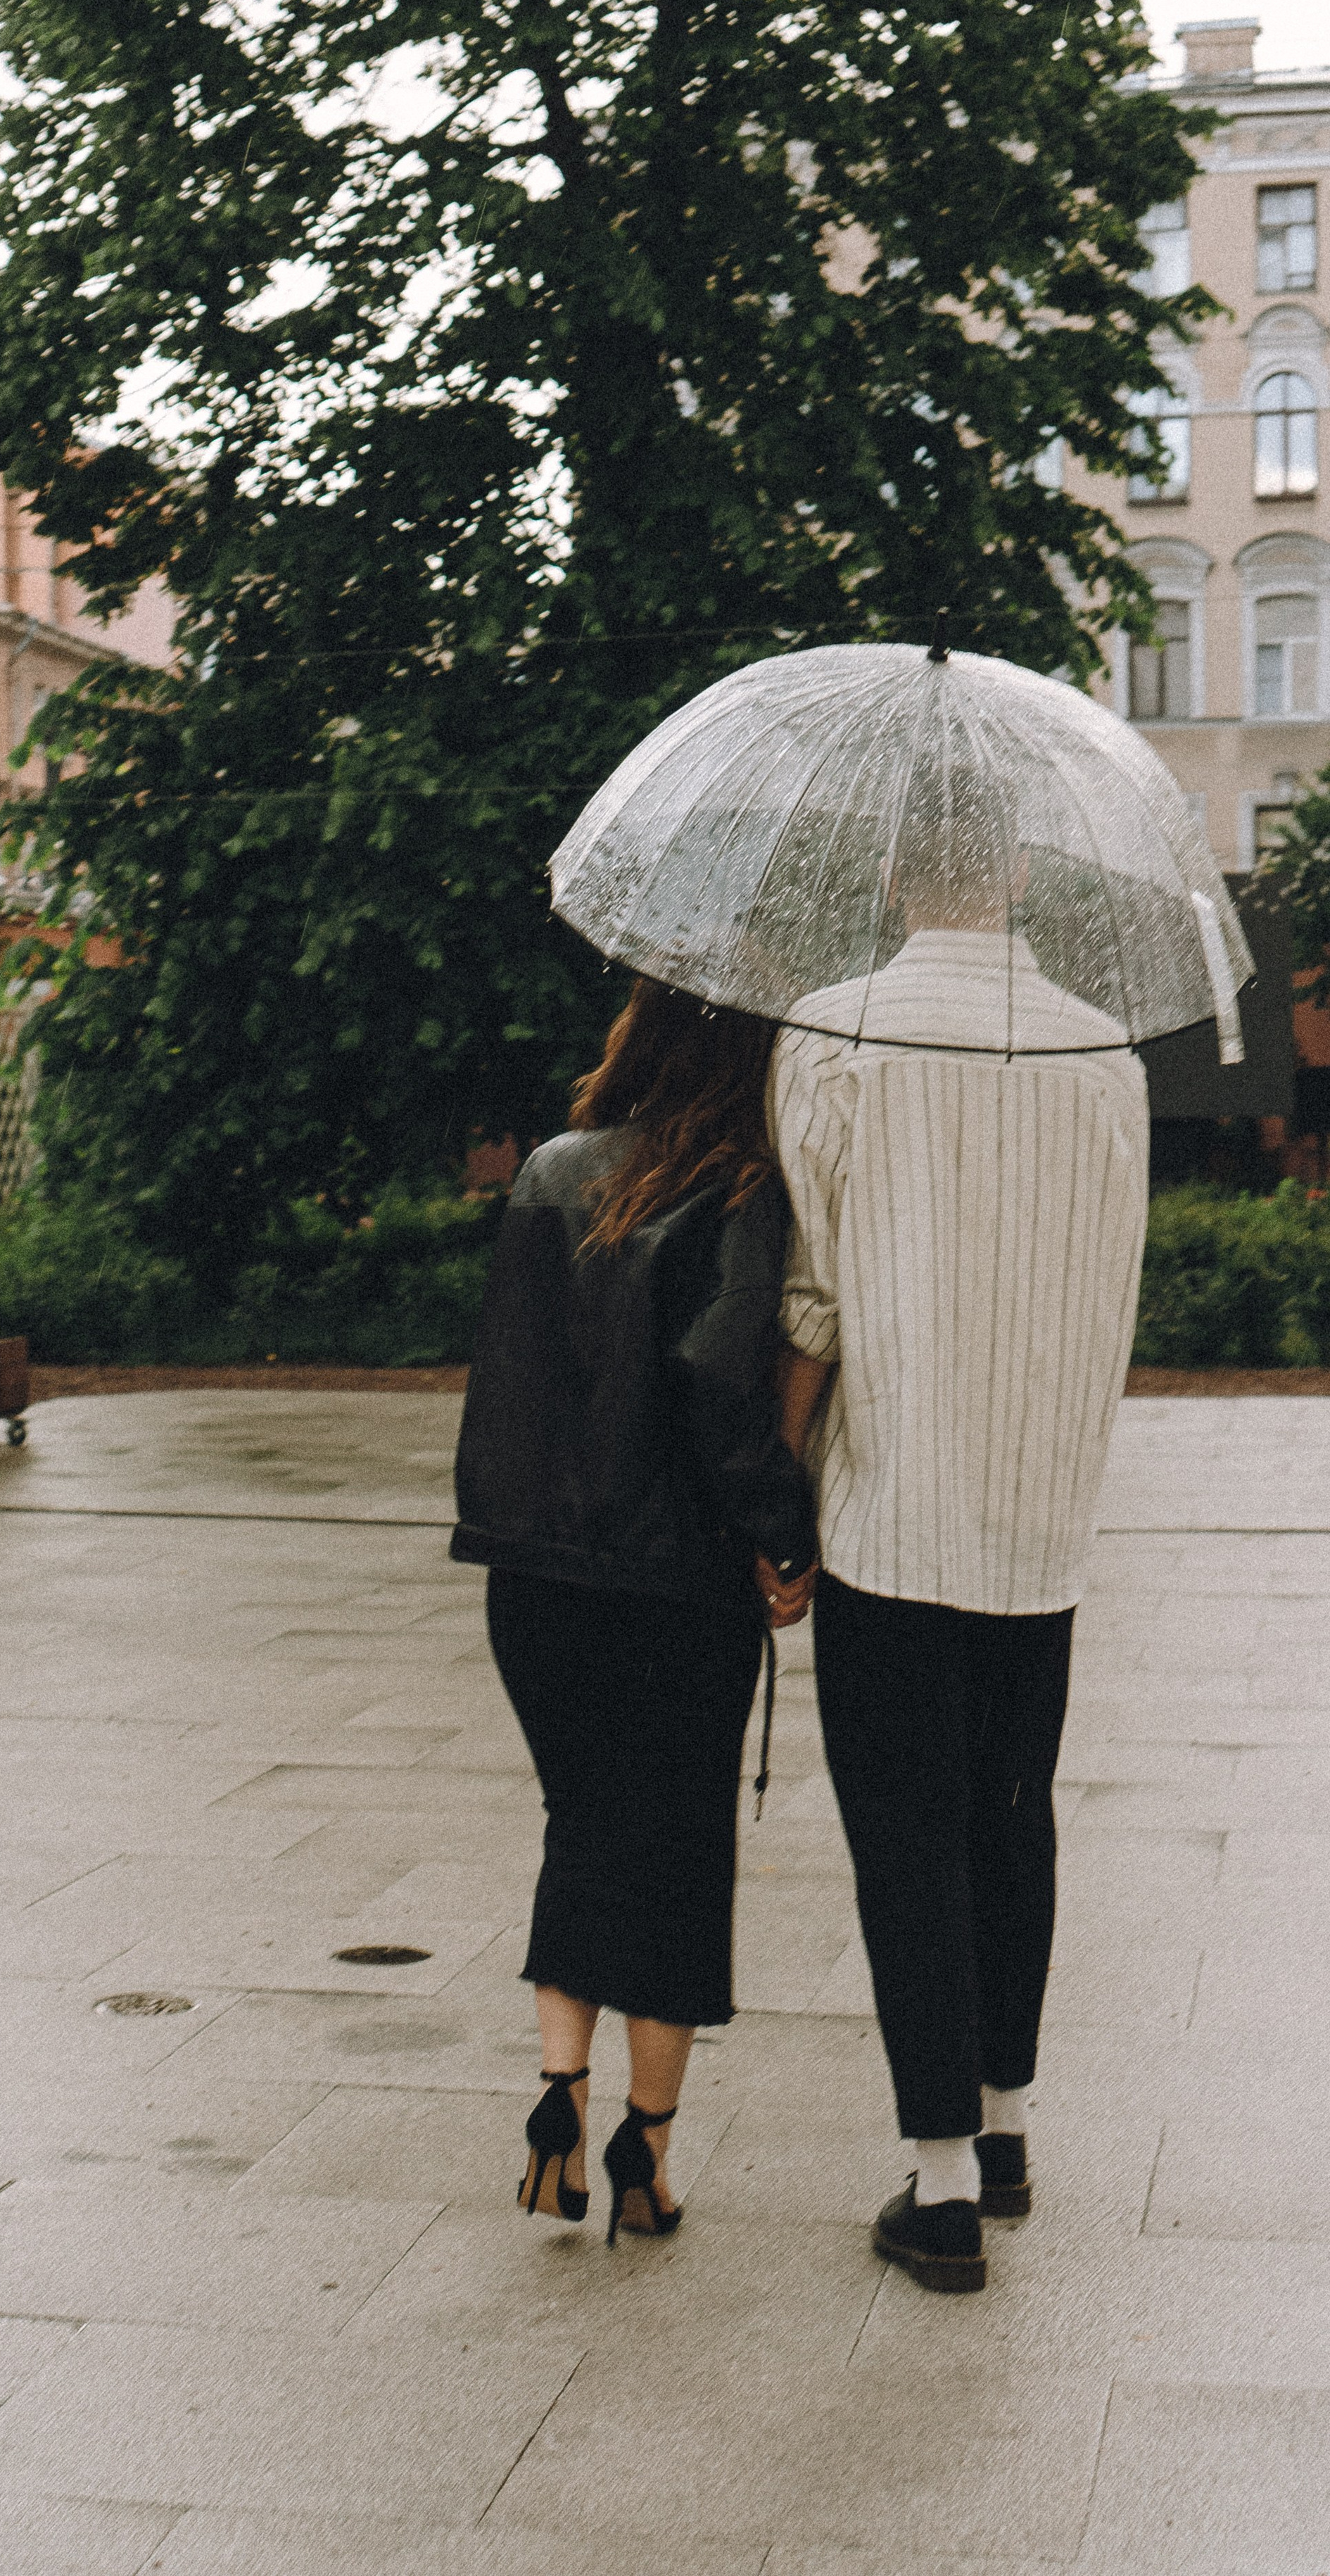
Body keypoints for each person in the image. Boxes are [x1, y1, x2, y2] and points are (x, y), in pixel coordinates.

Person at [768, 820, 1150, 2294]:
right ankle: (1002, 2130)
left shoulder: (835, 1033)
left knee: (906, 1833)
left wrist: (776, 1498)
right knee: (1010, 1813)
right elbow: (1115, 1276)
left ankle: (937, 2189)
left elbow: (811, 1295)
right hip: (1038, 1513)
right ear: (1018, 873)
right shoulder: (1102, 1052)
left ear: (889, 874)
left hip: (890, 1502)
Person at [452, 978, 817, 2246]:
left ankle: (559, 2094)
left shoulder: (549, 1171)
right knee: (678, 1854)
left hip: (534, 1577)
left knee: (585, 1822)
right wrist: (784, 1531)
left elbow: (511, 1373)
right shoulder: (742, 1190)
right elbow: (719, 1387)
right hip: (675, 1582)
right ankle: (643, 2155)